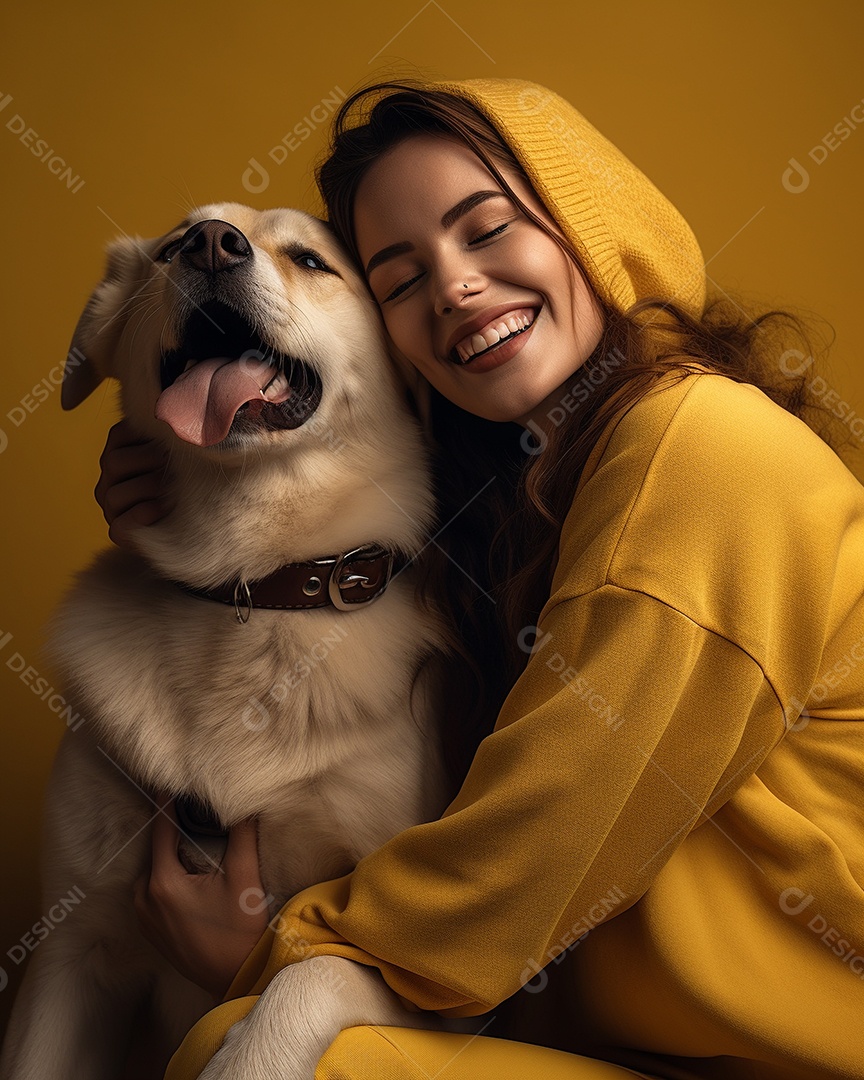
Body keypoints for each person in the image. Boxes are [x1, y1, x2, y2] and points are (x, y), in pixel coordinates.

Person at [96, 79, 864, 1078]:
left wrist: (272, 959)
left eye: (488, 228)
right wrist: (197, 485)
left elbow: (527, 856)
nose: (454, 287)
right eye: (401, 278)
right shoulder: (554, 493)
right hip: (653, 1054)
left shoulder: (706, 452)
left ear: (595, 225)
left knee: (300, 1058)